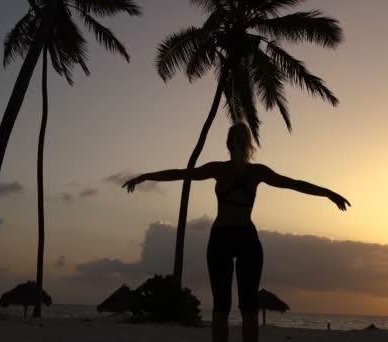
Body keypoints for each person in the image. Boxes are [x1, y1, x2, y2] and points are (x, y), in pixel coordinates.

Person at [123, 122, 350, 342]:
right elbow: (182, 173)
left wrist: (328, 193)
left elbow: (292, 183)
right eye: (234, 141)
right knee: (221, 305)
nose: (237, 145)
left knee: (248, 306)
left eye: (240, 140)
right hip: (221, 239)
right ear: (229, 144)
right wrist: (145, 176)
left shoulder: (257, 172)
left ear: (245, 144)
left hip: (246, 240)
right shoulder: (218, 169)